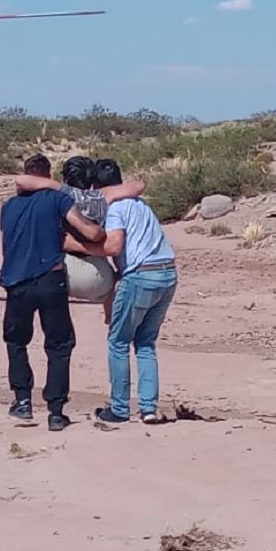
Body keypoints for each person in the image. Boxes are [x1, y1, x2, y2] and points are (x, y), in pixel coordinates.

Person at [0, 153, 107, 431]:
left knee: (16, 342)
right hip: (50, 278)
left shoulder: (8, 207)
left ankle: (22, 401)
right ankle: (56, 411)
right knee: (59, 345)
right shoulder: (57, 199)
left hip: (16, 282)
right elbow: (90, 231)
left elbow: (7, 243)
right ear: (48, 177)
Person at [68, 158, 178, 427]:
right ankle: (148, 408)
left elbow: (114, 247)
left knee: (118, 342)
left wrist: (76, 246)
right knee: (145, 343)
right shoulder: (143, 205)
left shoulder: (116, 208)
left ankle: (118, 408)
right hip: (168, 273)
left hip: (141, 276)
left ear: (97, 187)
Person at [15, 155, 145, 324]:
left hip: (59, 275)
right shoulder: (100, 196)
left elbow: (21, 180)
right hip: (100, 278)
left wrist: (55, 184)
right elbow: (140, 185)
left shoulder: (59, 195)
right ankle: (110, 318)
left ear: (65, 177)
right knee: (117, 278)